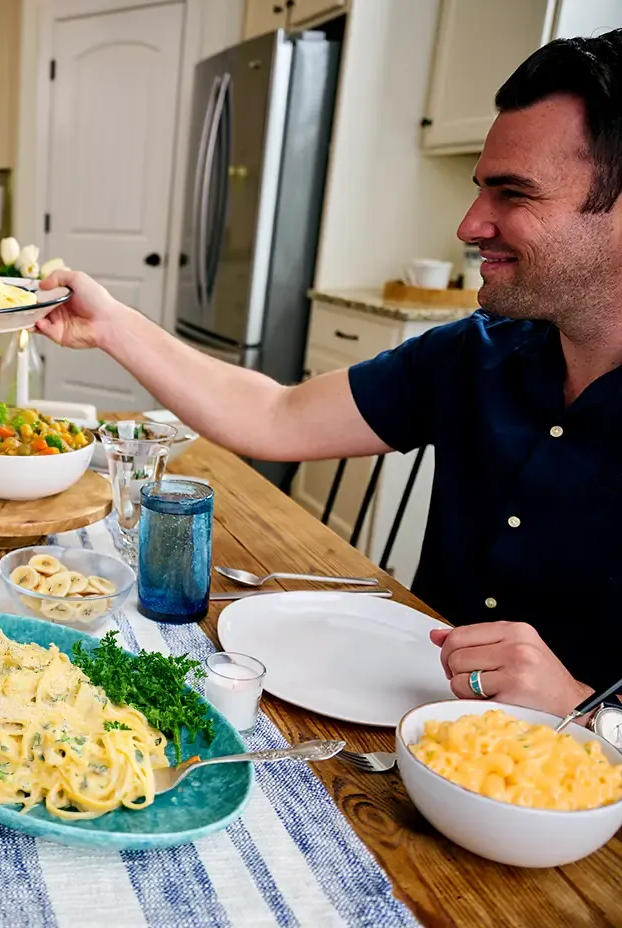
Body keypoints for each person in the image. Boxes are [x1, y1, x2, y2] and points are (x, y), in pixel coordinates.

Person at [35, 30, 622, 719]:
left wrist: (589, 707)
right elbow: (274, 416)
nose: (469, 224)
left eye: (513, 194)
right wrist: (108, 324)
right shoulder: (478, 353)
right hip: (411, 730)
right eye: (479, 190)